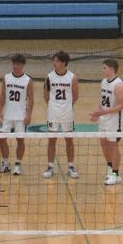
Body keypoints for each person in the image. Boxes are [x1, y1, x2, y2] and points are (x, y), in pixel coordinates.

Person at [0, 54, 33, 176]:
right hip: (7, 115)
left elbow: (31, 99)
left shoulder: (28, 80)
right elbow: (2, 96)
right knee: (1, 139)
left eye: (18, 64)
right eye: (14, 64)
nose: (15, 66)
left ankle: (18, 165)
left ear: (22, 65)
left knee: (20, 140)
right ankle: (5, 164)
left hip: (21, 116)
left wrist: (29, 115)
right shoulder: (6, 78)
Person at [91, 59, 123, 185]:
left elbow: (121, 105)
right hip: (104, 119)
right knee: (103, 144)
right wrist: (97, 112)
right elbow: (103, 101)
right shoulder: (103, 82)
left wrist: (103, 113)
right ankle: (110, 169)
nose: (102, 70)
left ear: (111, 69)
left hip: (115, 121)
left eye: (104, 68)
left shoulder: (119, 85)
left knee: (113, 146)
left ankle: (116, 174)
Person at [44, 51, 79, 179]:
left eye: (57, 61)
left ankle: (71, 166)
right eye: (54, 60)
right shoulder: (49, 77)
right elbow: (46, 95)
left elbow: (76, 96)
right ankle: (50, 167)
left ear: (64, 63)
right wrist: (53, 106)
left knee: (69, 140)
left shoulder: (72, 77)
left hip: (67, 113)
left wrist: (67, 106)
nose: (55, 63)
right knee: (51, 140)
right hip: (53, 113)